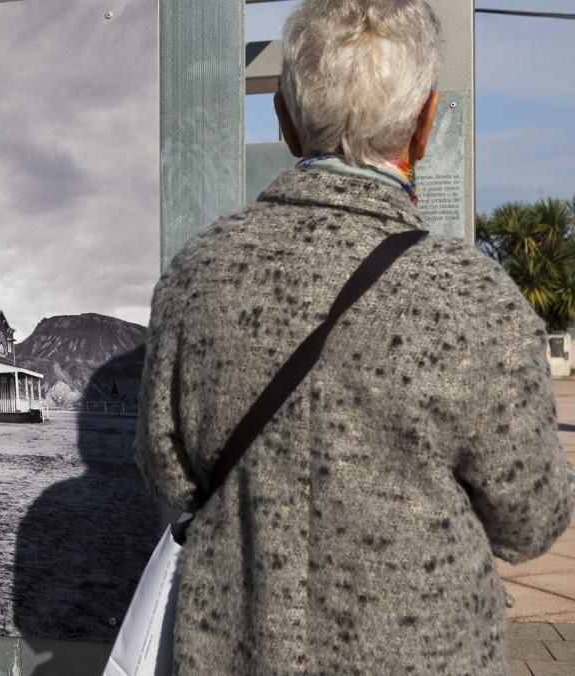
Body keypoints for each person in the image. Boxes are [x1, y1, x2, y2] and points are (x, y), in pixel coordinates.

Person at [134, 1, 575, 674]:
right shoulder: (476, 298)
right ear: (424, 122)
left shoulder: (197, 276)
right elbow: (529, 522)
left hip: (234, 649)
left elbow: (168, 470)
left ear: (284, 119)